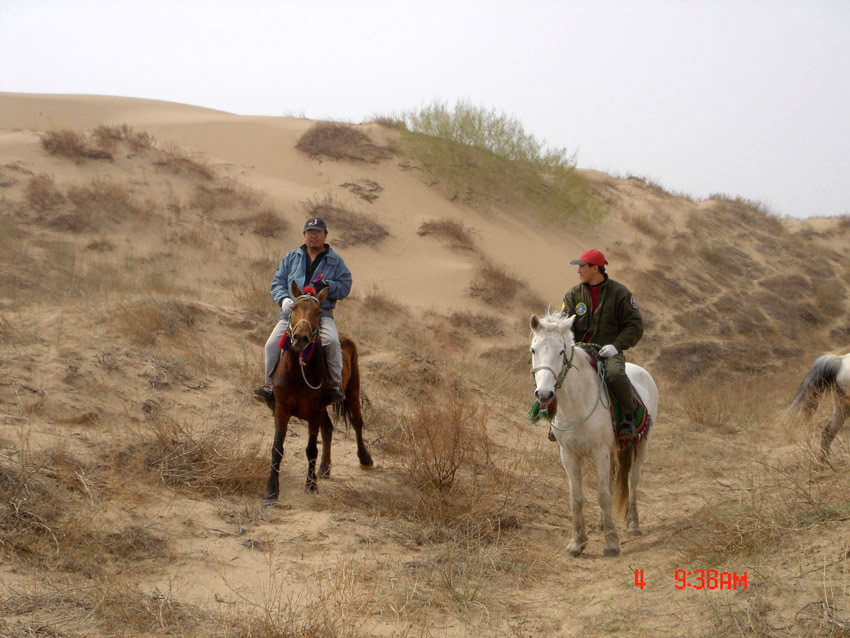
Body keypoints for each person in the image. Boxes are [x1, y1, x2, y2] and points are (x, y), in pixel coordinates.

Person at [254, 217, 351, 407]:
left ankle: (334, 385)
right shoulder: (291, 257)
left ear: (325, 235)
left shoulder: (335, 261)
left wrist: (329, 285)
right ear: (304, 235)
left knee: (331, 342)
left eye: (318, 232)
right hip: (292, 315)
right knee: (271, 345)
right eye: (310, 232)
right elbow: (277, 282)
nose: (313, 236)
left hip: (320, 315)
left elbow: (346, 286)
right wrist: (283, 299)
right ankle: (270, 387)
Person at [558, 248, 644, 442]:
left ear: (595, 269)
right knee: (555, 373)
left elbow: (635, 326)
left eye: (582, 267)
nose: (578, 271)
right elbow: (563, 324)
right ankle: (554, 420)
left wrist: (616, 345)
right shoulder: (573, 294)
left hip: (608, 352)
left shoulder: (620, 293)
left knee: (615, 375)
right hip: (579, 351)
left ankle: (627, 419)